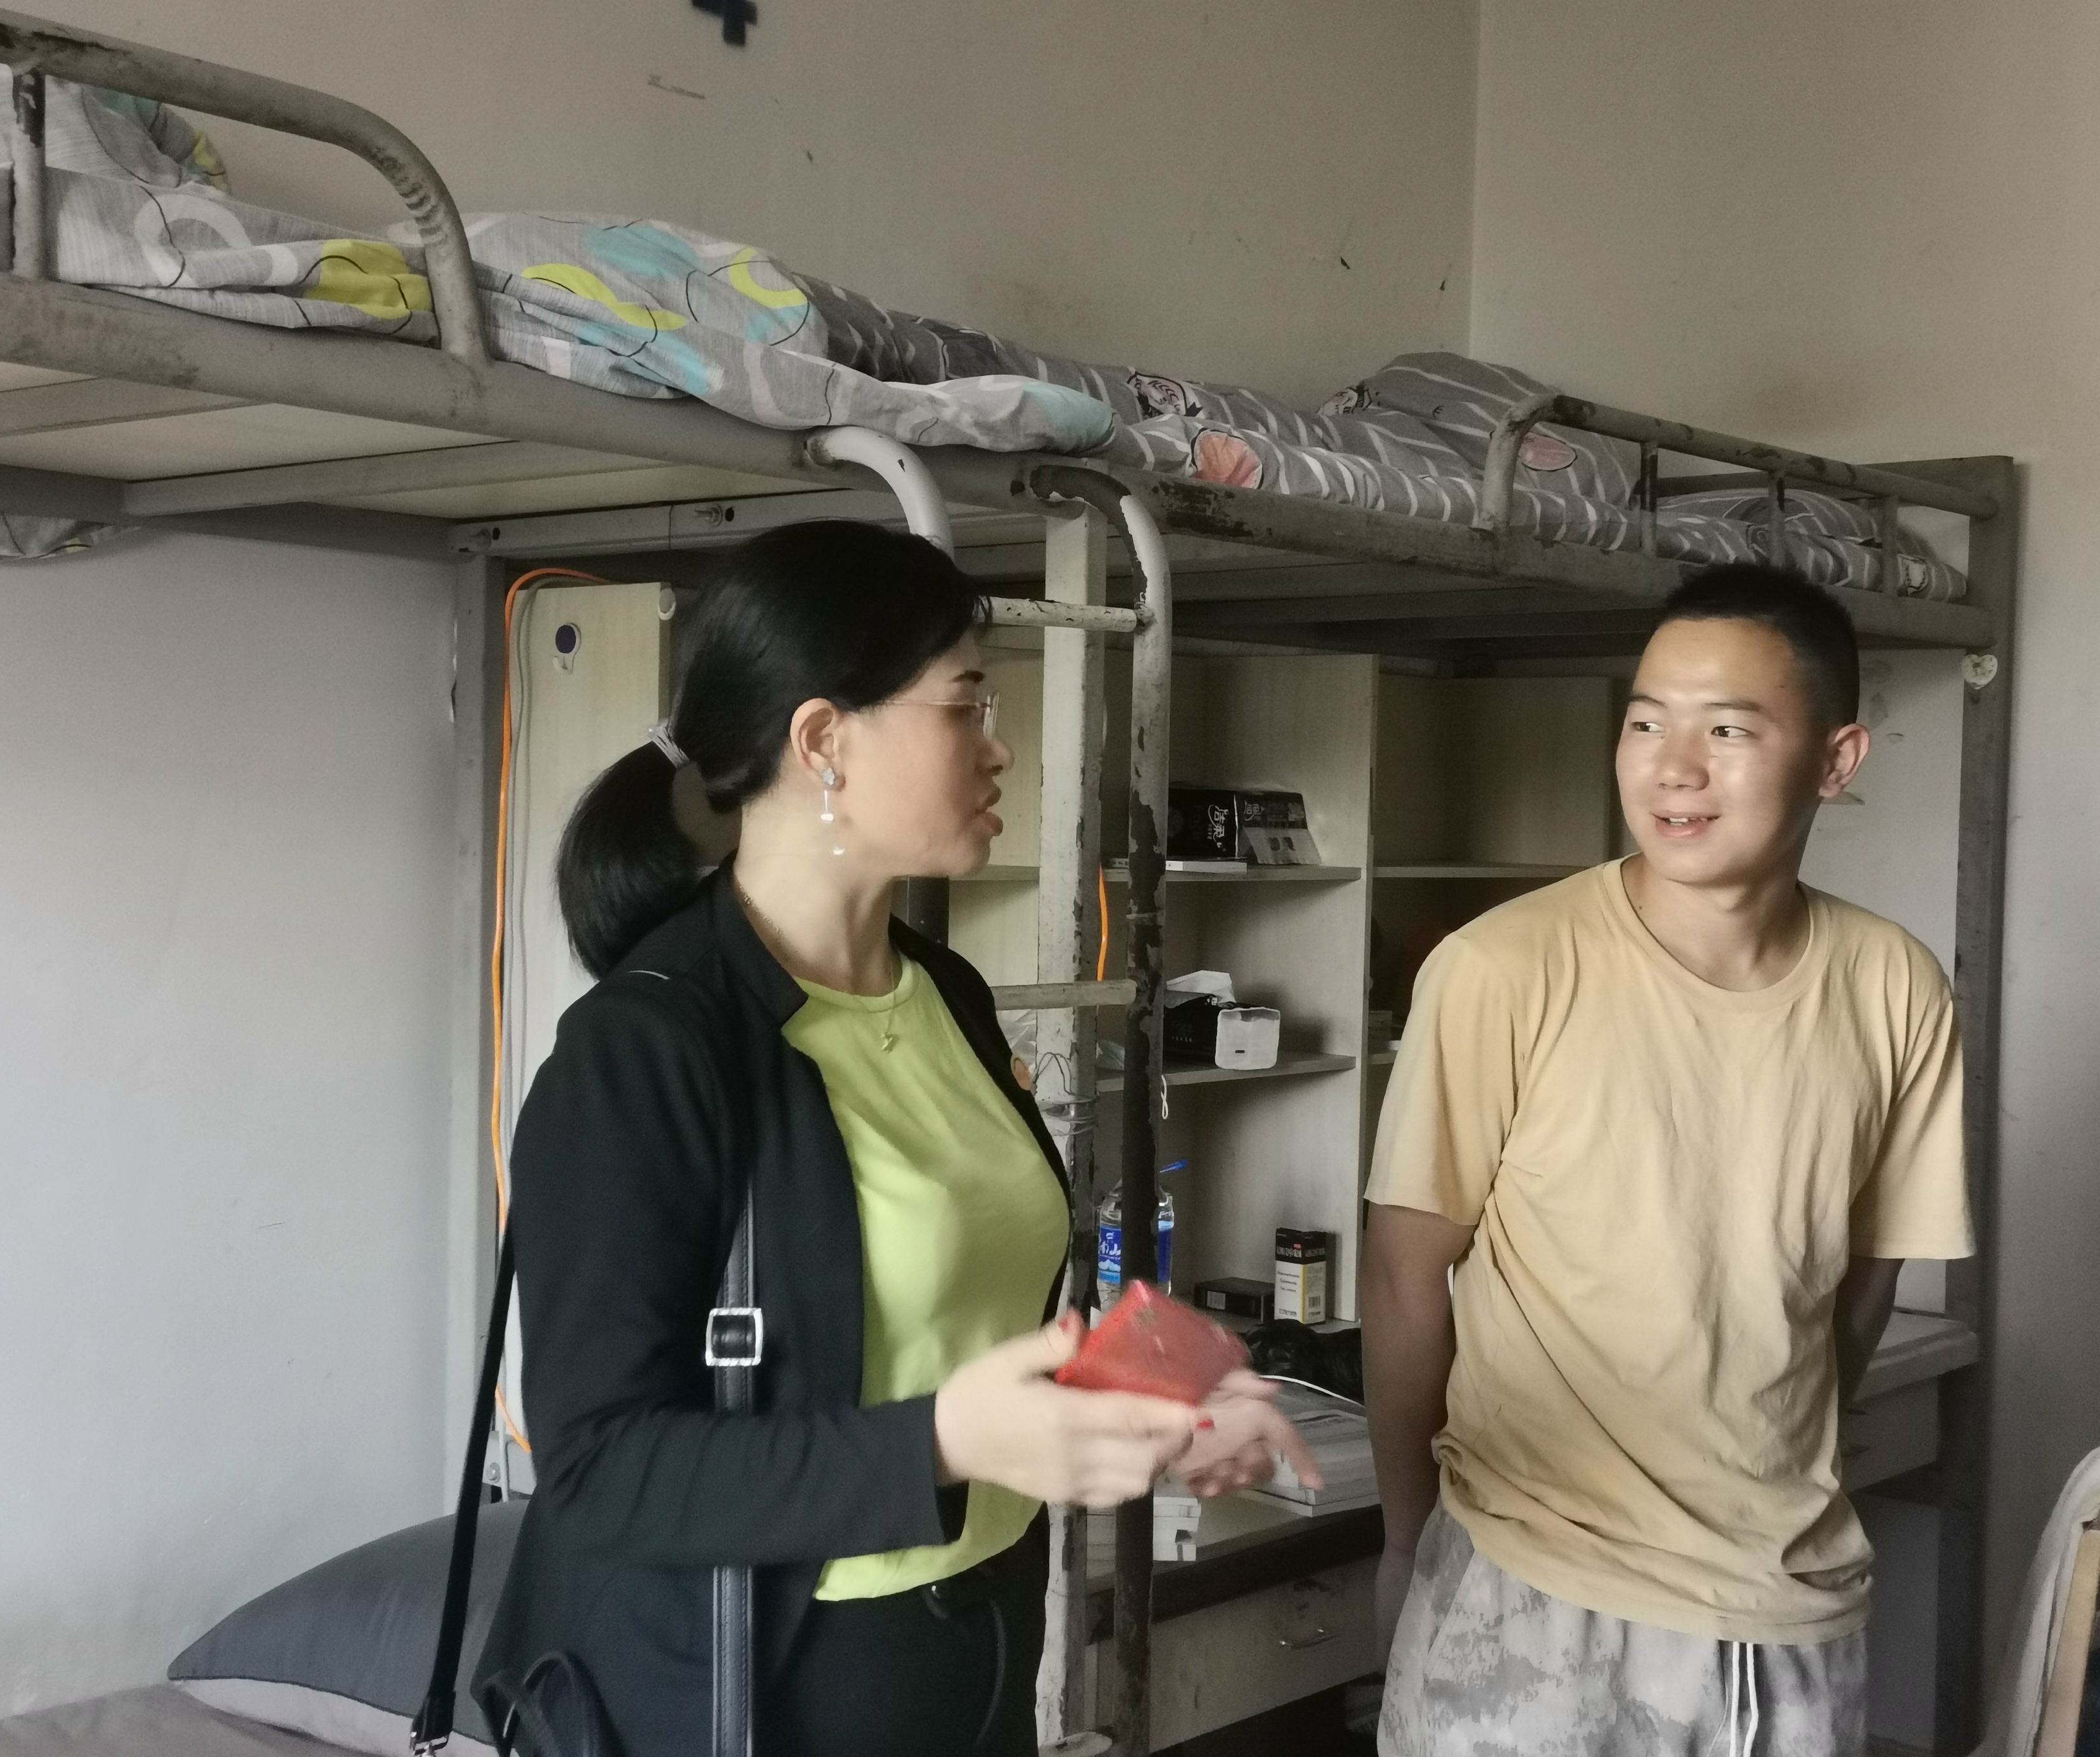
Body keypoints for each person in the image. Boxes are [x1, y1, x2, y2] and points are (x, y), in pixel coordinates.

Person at [473, 521, 1309, 1757]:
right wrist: (944, 1443)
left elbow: (979, 1291)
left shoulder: (945, 993)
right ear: (823, 740)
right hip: (778, 1681)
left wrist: (1180, 1379)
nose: (999, 744)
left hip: (982, 1623)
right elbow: (601, 1470)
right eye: (965, 704)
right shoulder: (645, 1054)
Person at [1363, 562, 1974, 1757]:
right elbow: (1402, 1273)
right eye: (1646, 723)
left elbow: (1864, 1280)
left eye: (1728, 730)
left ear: (1837, 760)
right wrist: (1400, 1539)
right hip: (1529, 1581)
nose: (1672, 768)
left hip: (1787, 1607)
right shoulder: (1503, 968)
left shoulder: (1894, 983)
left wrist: (1764, 1463)